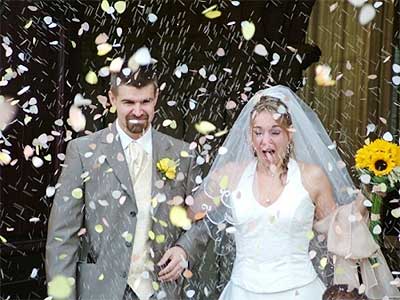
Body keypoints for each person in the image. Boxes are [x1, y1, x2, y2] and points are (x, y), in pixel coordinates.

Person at [159, 85, 400, 299]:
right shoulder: (230, 175)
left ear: (289, 134)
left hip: (301, 291)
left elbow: (337, 230)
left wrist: (367, 196)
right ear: (250, 136)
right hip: (241, 291)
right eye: (258, 132)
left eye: (275, 132)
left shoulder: (311, 177)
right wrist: (165, 177)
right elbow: (189, 214)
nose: (266, 142)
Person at [46, 63, 198, 300]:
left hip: (161, 291)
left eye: (145, 102)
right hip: (100, 292)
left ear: (156, 97)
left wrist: (184, 249)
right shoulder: (83, 151)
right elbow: (62, 238)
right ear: (112, 99)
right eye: (128, 103)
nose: (138, 111)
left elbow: (203, 218)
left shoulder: (182, 154)